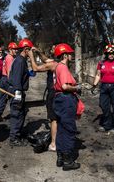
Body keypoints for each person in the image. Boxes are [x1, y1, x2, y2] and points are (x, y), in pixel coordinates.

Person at [50, 43, 81, 171]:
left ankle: (60, 157)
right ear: (65, 55)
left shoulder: (58, 67)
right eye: (70, 54)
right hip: (65, 99)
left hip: (60, 99)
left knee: (62, 128)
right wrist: (77, 88)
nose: (71, 56)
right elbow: (64, 86)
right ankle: (68, 161)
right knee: (69, 129)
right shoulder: (63, 68)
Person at [28, 45, 58, 151]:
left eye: (54, 48)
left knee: (54, 118)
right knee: (55, 118)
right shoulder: (58, 62)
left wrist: (31, 56)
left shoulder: (53, 64)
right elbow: (45, 59)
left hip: (54, 93)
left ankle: (54, 143)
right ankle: (57, 138)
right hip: (56, 92)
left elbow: (35, 68)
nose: (52, 49)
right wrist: (38, 52)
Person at [7, 38, 33, 146]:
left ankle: (17, 135)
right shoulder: (19, 61)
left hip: (19, 91)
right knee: (16, 114)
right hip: (17, 91)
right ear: (26, 49)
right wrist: (18, 97)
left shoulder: (21, 60)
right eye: (30, 49)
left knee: (21, 113)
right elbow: (17, 80)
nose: (31, 52)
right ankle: (14, 138)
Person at [0, 42, 17, 123]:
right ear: (10, 49)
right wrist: (12, 83)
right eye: (14, 49)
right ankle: (14, 116)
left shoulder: (7, 57)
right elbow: (9, 72)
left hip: (3, 80)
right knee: (12, 98)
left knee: (2, 98)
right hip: (7, 80)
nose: (16, 51)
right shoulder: (10, 58)